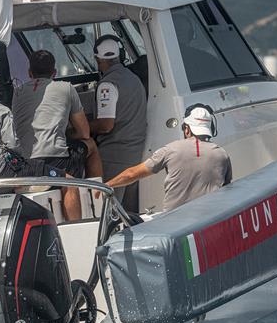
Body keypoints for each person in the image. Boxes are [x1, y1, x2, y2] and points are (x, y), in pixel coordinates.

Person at [0, 65, 82, 218]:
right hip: (3, 176)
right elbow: (14, 146)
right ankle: (75, 235)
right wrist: (23, 170)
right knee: (70, 182)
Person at [13, 50, 102, 218]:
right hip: (55, 159)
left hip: (27, 162)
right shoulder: (66, 88)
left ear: (29, 73)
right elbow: (84, 132)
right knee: (90, 145)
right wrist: (66, 134)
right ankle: (97, 199)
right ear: (54, 73)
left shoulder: (17, 93)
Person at [104, 104, 231, 212]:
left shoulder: (170, 150)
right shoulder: (222, 155)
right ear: (210, 128)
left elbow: (131, 175)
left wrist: (108, 185)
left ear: (186, 129)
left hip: (173, 224)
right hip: (209, 221)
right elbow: (226, 190)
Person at [90, 35, 147, 213]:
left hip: (113, 157)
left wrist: (82, 128)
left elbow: (106, 125)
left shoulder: (107, 84)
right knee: (129, 213)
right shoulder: (133, 78)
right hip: (135, 154)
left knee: (109, 212)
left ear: (99, 60)